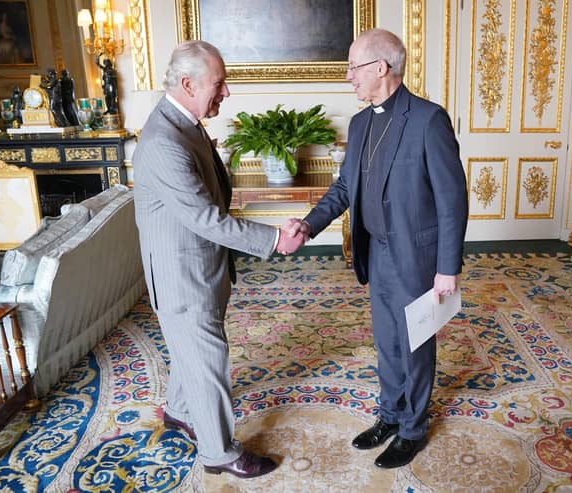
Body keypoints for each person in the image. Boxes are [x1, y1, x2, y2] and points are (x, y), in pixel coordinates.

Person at [284, 29, 468, 468]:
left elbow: (452, 198)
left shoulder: (428, 119)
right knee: (387, 342)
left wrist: (448, 267)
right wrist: (308, 225)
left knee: (415, 344)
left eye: (353, 68)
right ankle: (390, 415)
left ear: (381, 68)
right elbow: (346, 185)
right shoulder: (361, 122)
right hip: (377, 253)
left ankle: (413, 429)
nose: (348, 77)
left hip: (417, 258)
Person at [132, 40, 304, 478]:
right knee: (209, 362)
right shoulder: (165, 140)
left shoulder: (184, 123)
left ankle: (178, 410)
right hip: (182, 276)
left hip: (196, 268)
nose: (225, 93)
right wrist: (273, 240)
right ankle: (219, 452)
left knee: (192, 350)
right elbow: (206, 218)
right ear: (188, 84)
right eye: (219, 83)